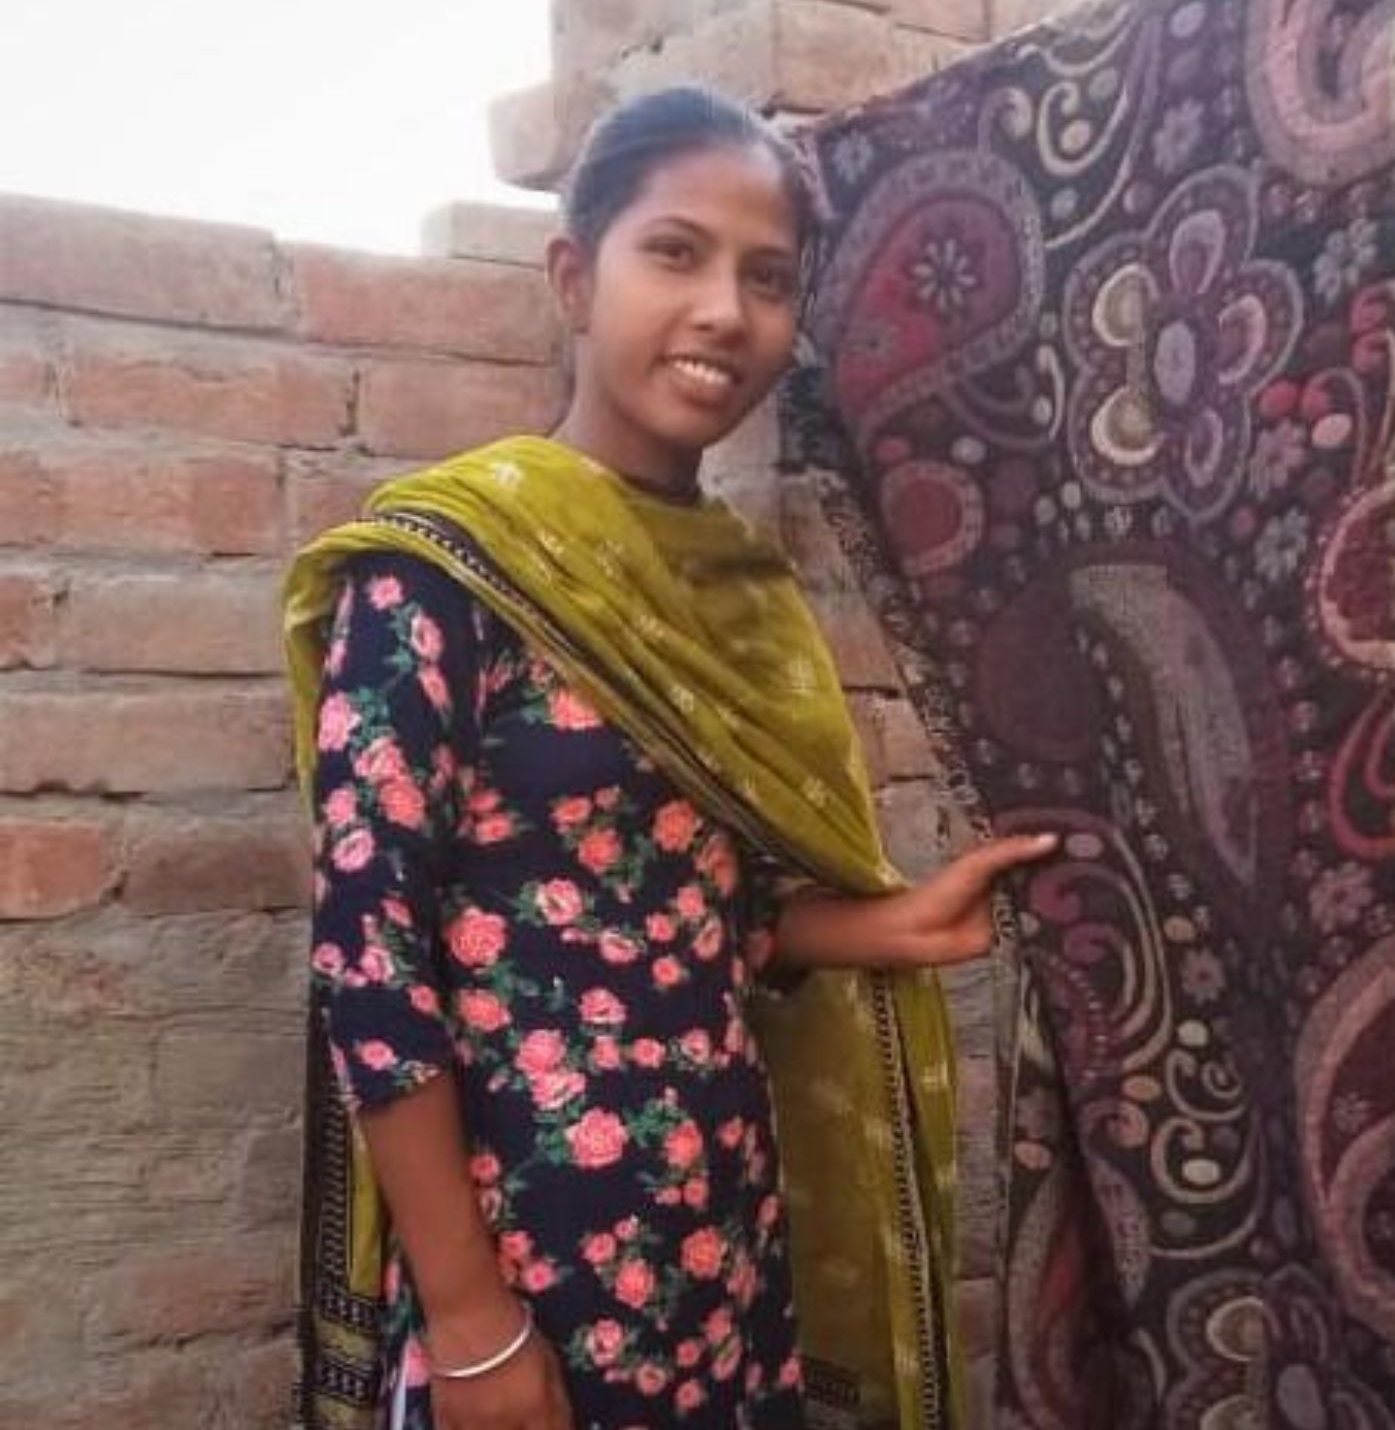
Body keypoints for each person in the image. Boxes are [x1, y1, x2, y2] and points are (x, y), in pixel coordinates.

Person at [282, 85, 1055, 1430]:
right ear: (575, 279)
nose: (723, 312)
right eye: (675, 253)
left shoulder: (741, 598)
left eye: (768, 278)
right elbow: (370, 958)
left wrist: (877, 928)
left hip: (724, 1237)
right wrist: (467, 1323)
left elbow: (675, 918)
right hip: (526, 1259)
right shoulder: (442, 574)